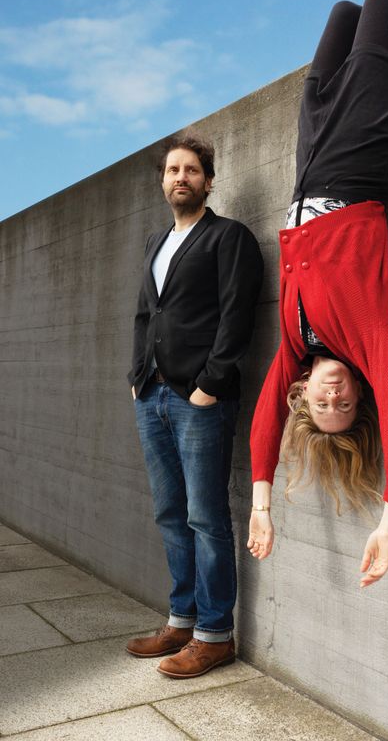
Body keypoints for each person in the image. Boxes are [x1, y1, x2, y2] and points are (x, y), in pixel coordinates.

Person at [247, 0, 388, 586]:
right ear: (359, 393)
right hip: (361, 157)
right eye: (344, 404)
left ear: (302, 394)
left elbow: (265, 424)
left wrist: (261, 504)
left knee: (341, 12)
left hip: (309, 166)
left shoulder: (295, 350)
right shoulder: (370, 341)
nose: (332, 396)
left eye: (321, 405)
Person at [126, 132, 263, 677]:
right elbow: (145, 315)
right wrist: (136, 376)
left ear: (208, 181)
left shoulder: (229, 237)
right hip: (151, 394)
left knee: (206, 517)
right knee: (169, 512)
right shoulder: (155, 242)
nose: (180, 177)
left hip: (199, 400)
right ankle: (181, 621)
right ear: (163, 182)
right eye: (172, 170)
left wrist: (211, 382)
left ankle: (214, 635)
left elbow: (238, 315)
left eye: (191, 170)